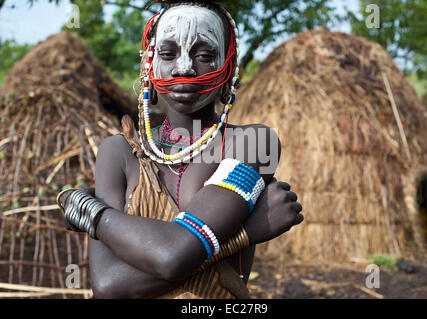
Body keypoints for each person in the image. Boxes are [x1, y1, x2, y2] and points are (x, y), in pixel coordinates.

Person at [58, 0, 304, 299]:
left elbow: (174, 258)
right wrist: (244, 234)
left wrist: (93, 215)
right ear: (149, 62)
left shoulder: (252, 143)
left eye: (204, 55)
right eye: (167, 53)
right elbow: (110, 286)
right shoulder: (118, 153)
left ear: (229, 64)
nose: (184, 67)